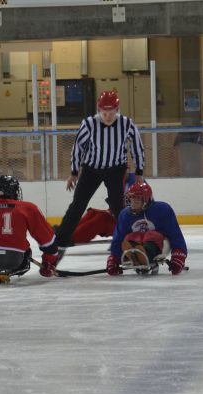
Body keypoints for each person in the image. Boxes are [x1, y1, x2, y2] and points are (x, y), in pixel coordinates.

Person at [55, 90, 145, 250]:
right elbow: (77, 148)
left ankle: (128, 240)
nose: (108, 117)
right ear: (99, 110)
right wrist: (74, 172)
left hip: (116, 169)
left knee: (118, 207)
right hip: (92, 169)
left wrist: (139, 172)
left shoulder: (127, 124)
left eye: (111, 113)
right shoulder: (89, 124)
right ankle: (60, 241)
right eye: (104, 113)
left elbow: (137, 148)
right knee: (78, 205)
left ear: (117, 110)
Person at [106, 182, 187, 276]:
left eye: (136, 201)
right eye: (131, 200)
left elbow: (175, 234)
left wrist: (178, 255)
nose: (133, 204)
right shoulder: (125, 214)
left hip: (158, 243)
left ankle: (145, 254)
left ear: (146, 200)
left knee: (152, 235)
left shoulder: (162, 210)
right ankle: (134, 253)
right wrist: (114, 258)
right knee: (130, 237)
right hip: (137, 241)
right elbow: (118, 238)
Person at [67, 170, 137, 244]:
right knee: (92, 213)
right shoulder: (117, 180)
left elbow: (135, 209)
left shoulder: (135, 182)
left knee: (101, 219)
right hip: (118, 216)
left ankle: (72, 237)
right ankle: (67, 232)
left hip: (127, 225)